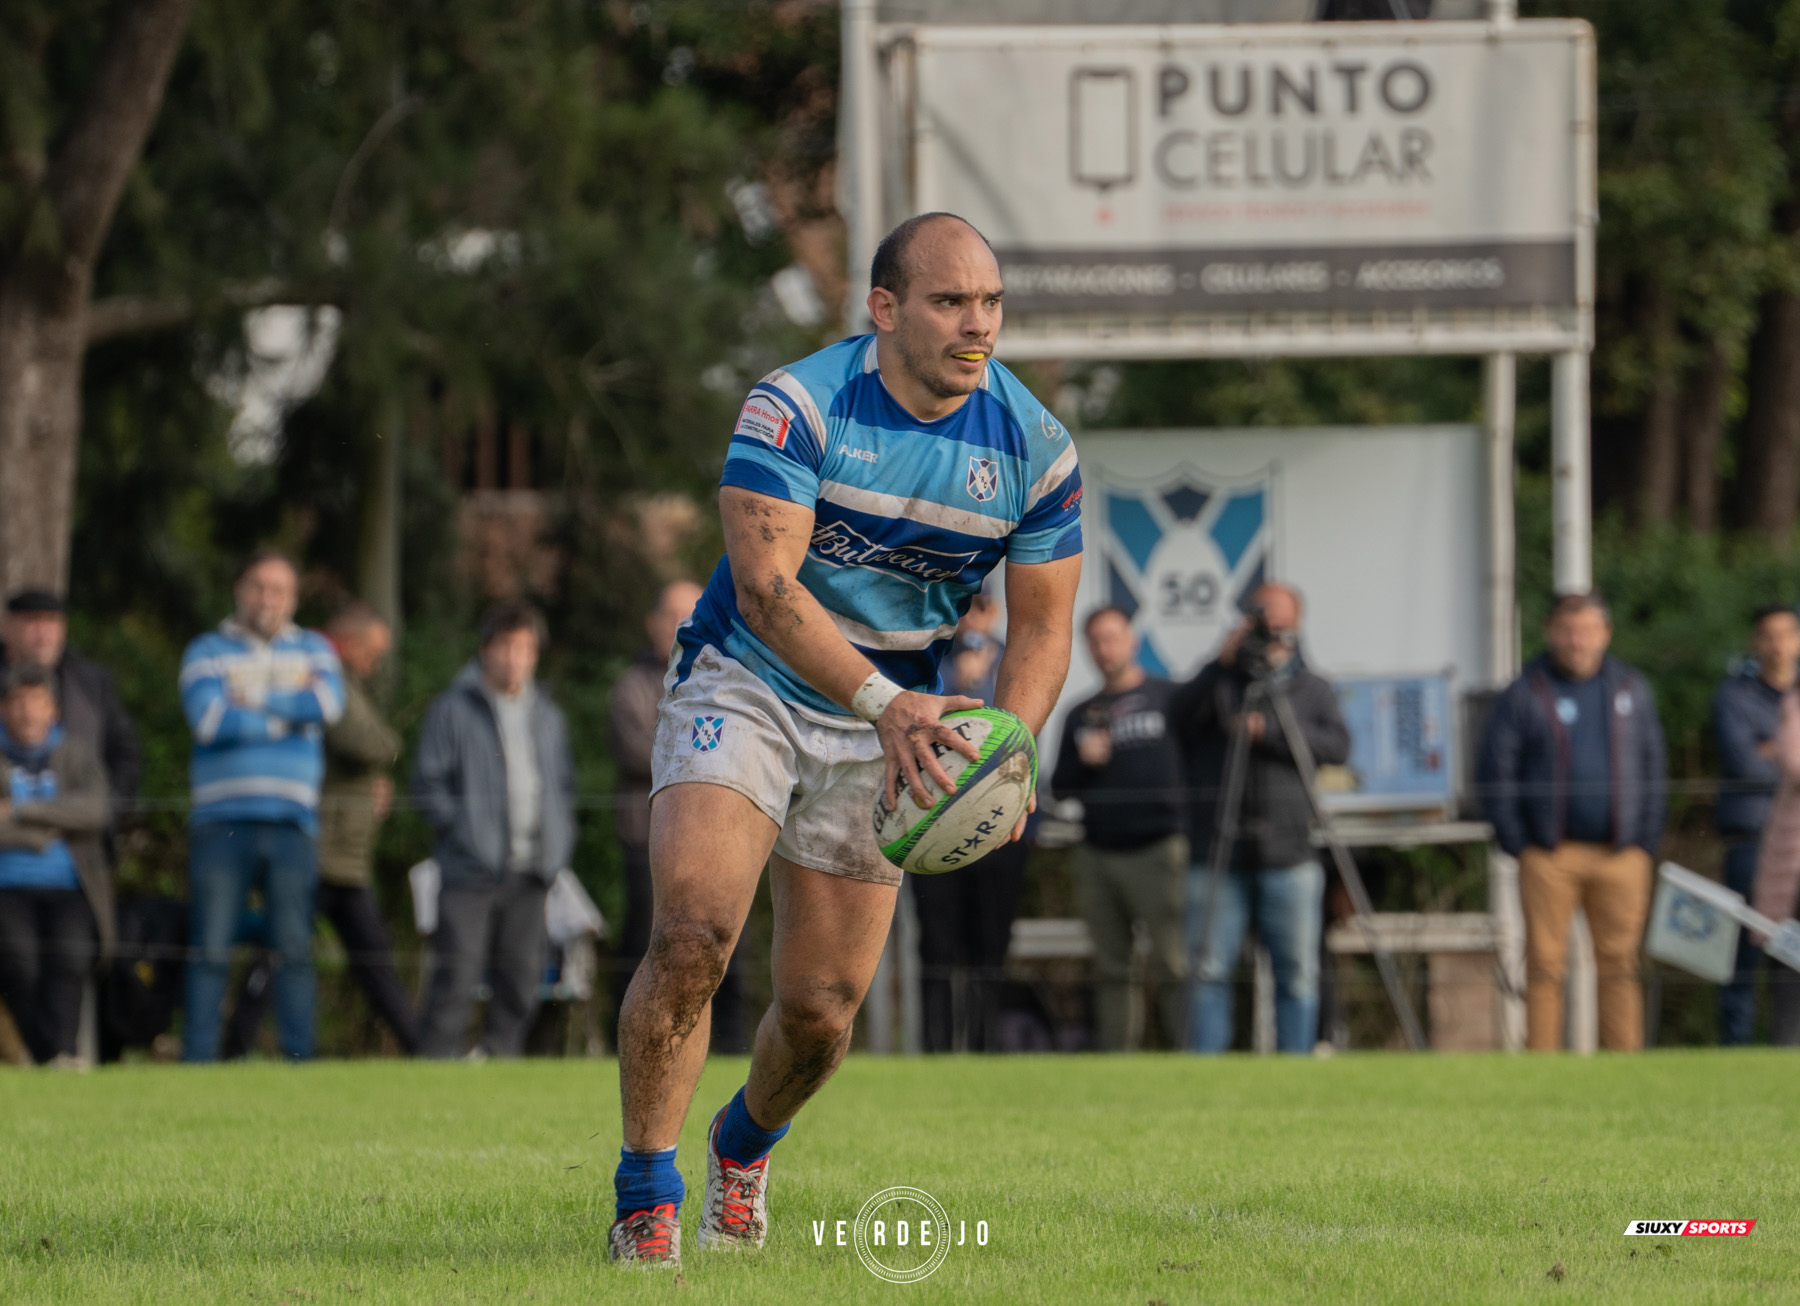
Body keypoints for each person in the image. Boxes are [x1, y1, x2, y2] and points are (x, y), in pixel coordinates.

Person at [610, 211, 1081, 1266]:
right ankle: (646, 1195)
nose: (978, 326)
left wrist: (1010, 744)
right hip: (751, 680)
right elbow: (770, 591)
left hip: (895, 726)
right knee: (693, 939)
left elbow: (1045, 629)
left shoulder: (1038, 449)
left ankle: (743, 1147)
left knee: (821, 1010)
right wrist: (884, 702)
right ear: (884, 308)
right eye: (950, 302)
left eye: (992, 303)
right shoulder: (796, 406)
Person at [223, 602, 419, 1056]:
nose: (376, 663)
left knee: (367, 957)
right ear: (349, 645)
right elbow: (366, 740)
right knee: (282, 952)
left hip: (341, 850)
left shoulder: (338, 675)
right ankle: (235, 1048)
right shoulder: (320, 668)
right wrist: (385, 754)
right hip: (319, 846)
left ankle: (421, 1047)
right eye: (372, 652)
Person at [1477, 591, 1667, 1052]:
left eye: (1586, 630)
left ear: (1605, 633)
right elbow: (1496, 772)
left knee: (1620, 964)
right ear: (1549, 632)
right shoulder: (1524, 692)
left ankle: (1623, 1067)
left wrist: (1643, 840)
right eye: (1567, 630)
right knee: (1544, 964)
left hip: (1621, 854)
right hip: (1548, 854)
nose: (1576, 640)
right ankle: (1544, 1066)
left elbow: (1653, 765)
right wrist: (1520, 842)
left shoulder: (1630, 688)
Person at [179, 550, 345, 1062]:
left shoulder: (316, 649)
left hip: (292, 822)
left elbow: (328, 706)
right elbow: (209, 721)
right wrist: (286, 709)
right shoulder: (206, 650)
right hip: (221, 822)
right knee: (210, 946)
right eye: (258, 586)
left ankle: (300, 1062)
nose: (267, 598)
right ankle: (197, 1063)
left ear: (293, 598)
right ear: (239, 589)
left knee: (294, 947)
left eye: (279, 589)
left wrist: (250, 697)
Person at [1173, 585, 1348, 1055]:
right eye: (1261, 621)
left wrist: (1267, 729)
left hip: (1289, 852)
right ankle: (1205, 1072)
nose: (1271, 632)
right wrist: (1218, 663)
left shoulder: (1313, 688)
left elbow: (1338, 747)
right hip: (1218, 852)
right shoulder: (1224, 682)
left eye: (1280, 623)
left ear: (1297, 626)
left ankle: (1295, 1070)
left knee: (1297, 971)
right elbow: (1174, 717)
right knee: (1207, 969)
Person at [412, 600, 575, 1060]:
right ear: (485, 650)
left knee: (523, 983)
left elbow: (563, 786)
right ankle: (431, 1074)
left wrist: (559, 847)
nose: (515, 658)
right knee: (457, 982)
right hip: (468, 871)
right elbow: (428, 783)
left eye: (525, 648)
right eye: (505, 646)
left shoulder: (548, 715)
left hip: (531, 872)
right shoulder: (452, 709)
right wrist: (464, 833)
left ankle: (500, 1065)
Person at [608, 580, 750, 1051]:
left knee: (726, 947)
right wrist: (711, 757)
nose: (682, 623)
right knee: (648, 949)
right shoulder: (630, 686)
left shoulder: (728, 680)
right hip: (648, 840)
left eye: (691, 611)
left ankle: (727, 1049)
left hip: (721, 839)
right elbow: (641, 753)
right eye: (672, 614)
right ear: (651, 623)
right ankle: (635, 1045)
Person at [1049, 607, 1187, 1051]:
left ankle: (1193, 1056)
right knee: (1112, 967)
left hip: (1160, 849)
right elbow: (1059, 787)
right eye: (1096, 641)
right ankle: (1118, 1062)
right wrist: (1083, 761)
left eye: (1113, 638)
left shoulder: (1172, 697)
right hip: (1098, 853)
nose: (1105, 649)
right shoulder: (1079, 713)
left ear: (1133, 640)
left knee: (1174, 964)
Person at [911, 585, 1030, 1052]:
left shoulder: (1014, 662)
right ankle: (937, 1049)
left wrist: (983, 683)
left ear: (995, 611)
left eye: (979, 607)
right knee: (938, 947)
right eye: (962, 606)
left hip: (999, 827)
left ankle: (986, 1047)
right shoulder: (931, 662)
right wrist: (959, 683)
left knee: (990, 946)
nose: (971, 617)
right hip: (934, 822)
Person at [0, 666, 113, 1067]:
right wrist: (43, 831)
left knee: (70, 956)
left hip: (69, 886)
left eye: (36, 702)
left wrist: (22, 812)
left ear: (53, 710)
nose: (27, 713)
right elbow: (71, 816)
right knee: (18, 958)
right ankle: (53, 1055)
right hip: (7, 886)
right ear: (3, 710)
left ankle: (59, 1054)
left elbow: (96, 810)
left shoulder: (76, 754)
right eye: (17, 703)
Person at [1712, 605, 1800, 1045]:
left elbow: (1779, 759)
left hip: (1796, 844)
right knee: (1742, 957)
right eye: (1769, 635)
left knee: (1794, 960)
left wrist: (1774, 749)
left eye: (1787, 634)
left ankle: (1787, 1049)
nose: (1779, 645)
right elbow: (1744, 762)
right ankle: (1736, 1053)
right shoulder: (1735, 696)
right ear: (1755, 642)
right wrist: (1785, 757)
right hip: (1749, 841)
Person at [2, 590, 142, 848]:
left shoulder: (91, 681)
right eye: (33, 622)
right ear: (7, 626)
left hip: (80, 849)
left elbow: (125, 753)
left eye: (52, 623)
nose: (43, 635)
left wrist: (106, 815)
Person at [1746, 686, 1800, 1046]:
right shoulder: (1794, 705)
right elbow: (1795, 763)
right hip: (1793, 859)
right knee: (1790, 963)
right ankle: (1787, 1049)